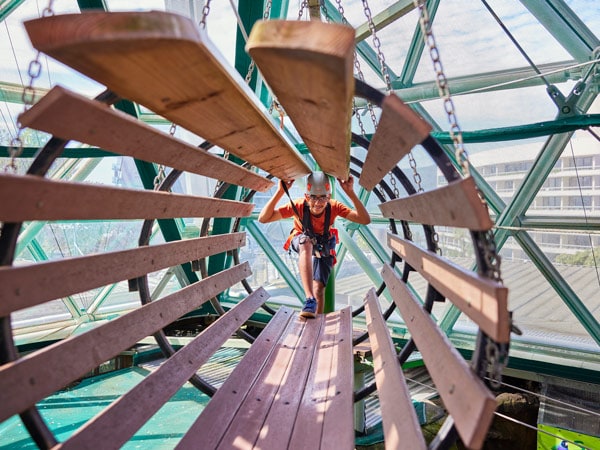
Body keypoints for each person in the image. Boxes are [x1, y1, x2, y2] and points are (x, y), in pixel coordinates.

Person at [258, 171, 370, 318]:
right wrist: (280, 191)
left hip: (324, 242)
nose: (318, 203)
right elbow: (263, 218)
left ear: (328, 197)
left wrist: (350, 193)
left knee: (319, 289)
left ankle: (317, 322)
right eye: (313, 197)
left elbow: (364, 219)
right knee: (306, 241)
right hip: (301, 240)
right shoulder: (298, 206)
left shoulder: (334, 206)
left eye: (323, 197)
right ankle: (309, 299)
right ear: (306, 197)